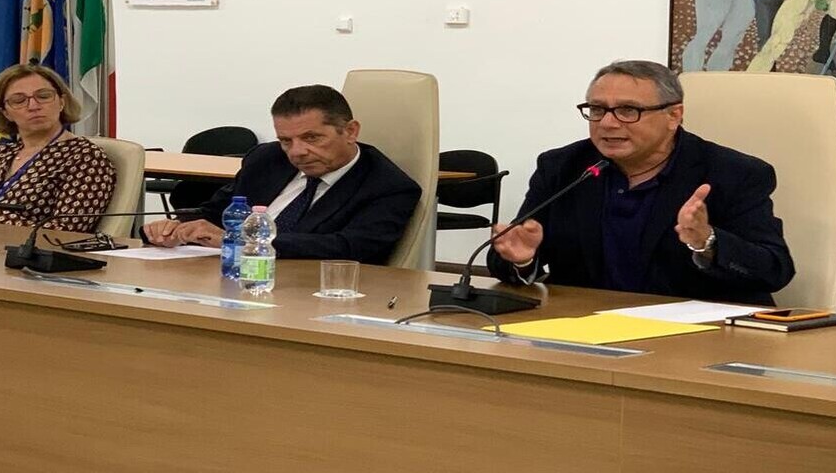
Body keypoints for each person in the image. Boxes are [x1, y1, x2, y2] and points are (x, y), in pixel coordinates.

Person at [487, 60, 794, 305]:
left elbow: (774, 271)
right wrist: (523, 260)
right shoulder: (563, 168)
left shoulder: (734, 173)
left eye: (628, 110)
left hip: (696, 337)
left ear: (674, 115)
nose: (608, 123)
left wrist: (708, 242)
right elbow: (511, 254)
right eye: (597, 110)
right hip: (587, 328)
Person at [142, 84, 421, 264]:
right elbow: (218, 212)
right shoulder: (267, 159)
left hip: (306, 291)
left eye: (312, 138)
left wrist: (245, 241)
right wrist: (176, 226)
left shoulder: (387, 186)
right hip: (230, 276)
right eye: (286, 140)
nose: (297, 152)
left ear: (350, 131)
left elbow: (350, 247)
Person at [0, 64, 116, 233]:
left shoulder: (85, 157)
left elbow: (66, 231)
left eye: (43, 96)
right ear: (5, 113)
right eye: (19, 101)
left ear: (61, 102)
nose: (33, 106)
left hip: (29, 249)